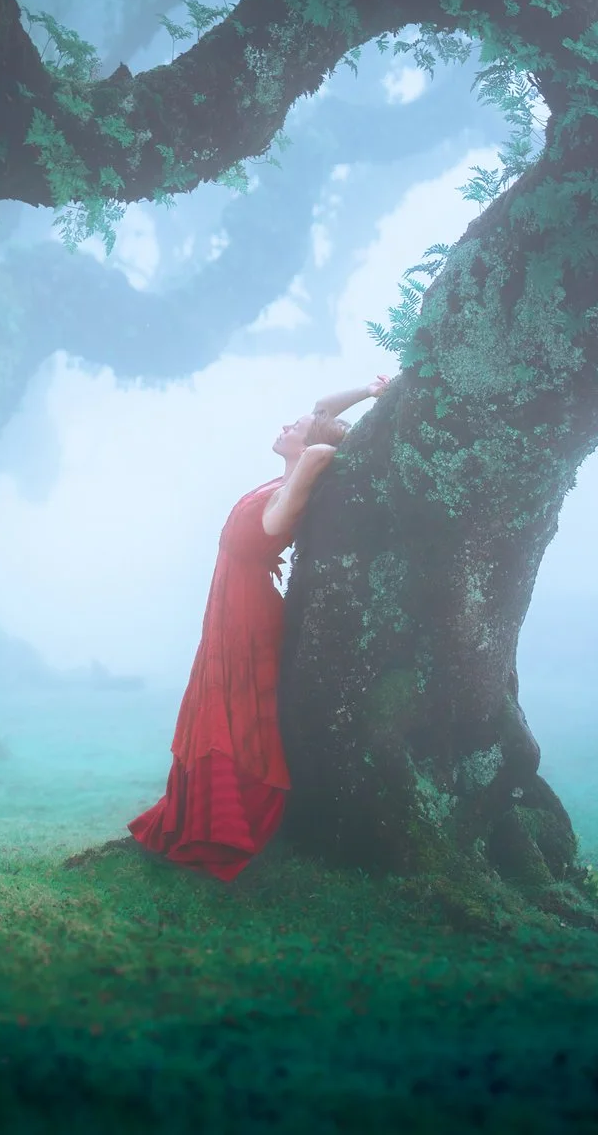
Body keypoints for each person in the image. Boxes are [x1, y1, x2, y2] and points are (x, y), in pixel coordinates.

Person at [126, 372, 396, 880]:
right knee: (216, 705)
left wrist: (330, 438)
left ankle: (227, 822)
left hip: (247, 615)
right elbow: (320, 407)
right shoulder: (285, 477)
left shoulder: (295, 487)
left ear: (310, 443)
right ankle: (195, 811)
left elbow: (322, 449)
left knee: (234, 713)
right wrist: (371, 392)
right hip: (227, 607)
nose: (283, 427)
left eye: (293, 426)